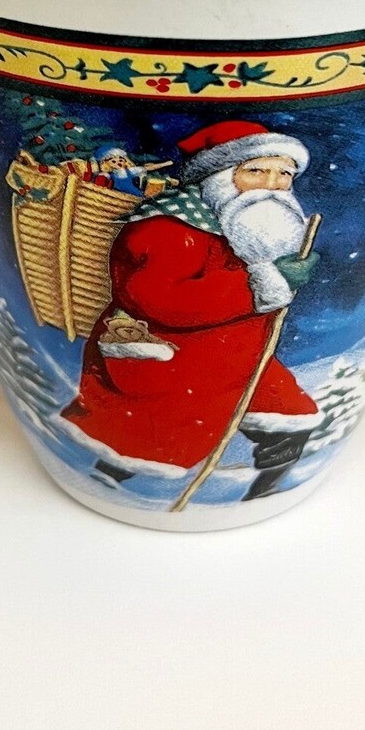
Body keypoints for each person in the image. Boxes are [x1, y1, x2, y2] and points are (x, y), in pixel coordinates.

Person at [60, 121, 321, 501]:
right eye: (256, 171)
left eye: (284, 174)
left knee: (289, 418)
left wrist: (282, 274)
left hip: (242, 356)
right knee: (141, 437)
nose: (273, 185)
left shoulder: (252, 224)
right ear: (220, 177)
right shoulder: (169, 226)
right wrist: (265, 282)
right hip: (177, 358)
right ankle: (104, 484)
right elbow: (161, 299)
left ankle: (267, 493)